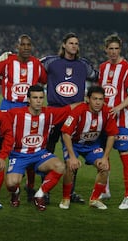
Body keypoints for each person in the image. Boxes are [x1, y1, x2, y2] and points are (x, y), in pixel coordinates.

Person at [0, 34, 47, 203]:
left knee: (29, 146)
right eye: (23, 45)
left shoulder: (36, 64)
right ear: (17, 46)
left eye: (29, 45)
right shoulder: (7, 62)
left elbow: (44, 80)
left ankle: (30, 186)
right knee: (3, 146)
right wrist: (5, 81)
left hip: (28, 108)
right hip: (9, 108)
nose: (26, 48)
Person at [40, 32, 99, 204]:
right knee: (47, 152)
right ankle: (45, 191)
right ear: (64, 45)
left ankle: (70, 192)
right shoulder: (50, 62)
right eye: (71, 43)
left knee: (72, 154)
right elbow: (32, 68)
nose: (74, 46)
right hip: (54, 113)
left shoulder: (84, 65)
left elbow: (98, 76)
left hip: (75, 116)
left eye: (76, 43)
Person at [5, 85, 77, 211]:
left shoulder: (49, 113)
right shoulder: (15, 113)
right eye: (35, 98)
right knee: (11, 183)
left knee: (60, 167)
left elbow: (69, 108)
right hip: (19, 155)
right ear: (28, 100)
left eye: (41, 98)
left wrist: (87, 102)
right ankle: (15, 192)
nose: (38, 101)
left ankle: (39, 195)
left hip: (40, 154)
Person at [59, 86, 118, 210]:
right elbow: (66, 133)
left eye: (101, 99)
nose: (97, 102)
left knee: (104, 167)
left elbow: (112, 135)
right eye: (95, 99)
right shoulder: (78, 110)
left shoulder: (107, 112)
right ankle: (66, 198)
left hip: (92, 145)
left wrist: (105, 157)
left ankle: (94, 199)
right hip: (74, 143)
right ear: (88, 99)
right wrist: (73, 157)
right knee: (70, 165)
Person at [98, 34, 128, 210]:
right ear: (106, 50)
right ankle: (105, 189)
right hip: (104, 121)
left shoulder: (127, 68)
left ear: (120, 49)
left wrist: (119, 107)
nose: (113, 52)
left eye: (116, 48)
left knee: (124, 158)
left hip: (121, 121)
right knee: (103, 155)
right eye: (110, 49)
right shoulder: (103, 67)